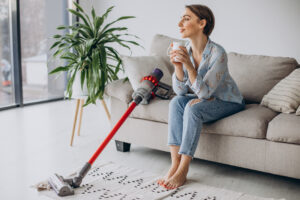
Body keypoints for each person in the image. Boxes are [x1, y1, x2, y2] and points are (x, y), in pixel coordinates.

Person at [157, 4, 245, 190]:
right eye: (181, 18)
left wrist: (189, 66)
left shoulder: (218, 53)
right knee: (176, 103)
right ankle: (174, 163)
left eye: (186, 18)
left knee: (193, 108)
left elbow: (205, 93)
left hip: (229, 101)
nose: (180, 23)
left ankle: (183, 169)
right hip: (207, 98)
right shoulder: (186, 49)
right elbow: (181, 93)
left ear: (202, 23)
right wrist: (178, 67)